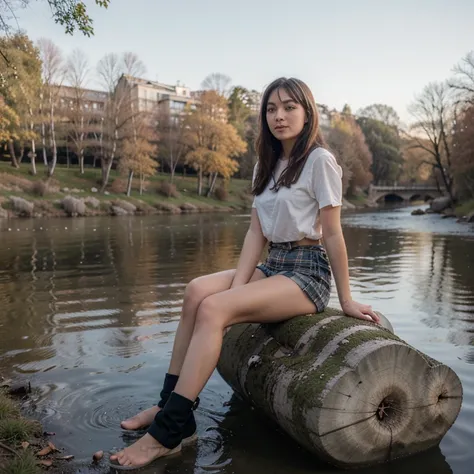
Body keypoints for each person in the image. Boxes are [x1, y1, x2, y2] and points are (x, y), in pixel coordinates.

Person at [109, 77, 380, 470]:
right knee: (195, 292)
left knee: (214, 310)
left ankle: (167, 435)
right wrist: (236, 288)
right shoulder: (266, 165)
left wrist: (347, 299)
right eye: (271, 108)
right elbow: (256, 232)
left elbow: (334, 233)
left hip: (307, 273)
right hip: (272, 264)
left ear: (307, 112)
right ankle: (171, 407)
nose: (279, 116)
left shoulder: (320, 161)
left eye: (289, 107)